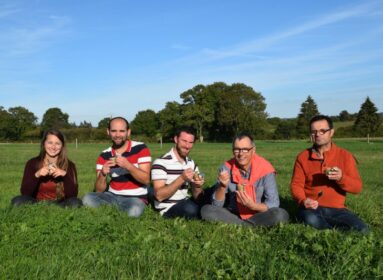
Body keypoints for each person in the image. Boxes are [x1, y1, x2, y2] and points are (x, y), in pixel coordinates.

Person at [290, 115, 369, 233]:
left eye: (322, 131)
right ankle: (337, 231)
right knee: (310, 218)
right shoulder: (303, 157)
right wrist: (303, 200)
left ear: (331, 132)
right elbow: (296, 185)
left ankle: (328, 229)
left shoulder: (345, 156)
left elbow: (357, 188)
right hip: (311, 208)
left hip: (338, 209)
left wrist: (341, 178)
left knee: (363, 229)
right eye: (314, 131)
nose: (318, 134)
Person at [201, 132, 289, 227]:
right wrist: (222, 187)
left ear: (253, 150)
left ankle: (240, 225)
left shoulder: (266, 169)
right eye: (237, 150)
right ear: (232, 150)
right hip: (233, 213)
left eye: (245, 149)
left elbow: (273, 203)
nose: (241, 154)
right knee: (206, 210)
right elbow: (216, 205)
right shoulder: (226, 168)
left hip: (259, 214)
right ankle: (248, 225)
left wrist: (253, 206)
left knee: (280, 214)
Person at [82, 117, 151, 217]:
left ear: (128, 132)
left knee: (135, 209)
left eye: (122, 131)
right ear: (108, 132)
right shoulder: (104, 155)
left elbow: (146, 180)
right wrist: (102, 174)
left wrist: (128, 166)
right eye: (114, 131)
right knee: (87, 198)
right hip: (111, 196)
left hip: (136, 197)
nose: (118, 135)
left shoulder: (140, 148)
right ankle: (117, 209)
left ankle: (112, 211)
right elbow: (99, 190)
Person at [11, 129, 82, 207]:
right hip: (37, 203)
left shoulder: (69, 165)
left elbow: (72, 195)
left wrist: (65, 175)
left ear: (62, 146)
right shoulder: (32, 163)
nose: (53, 147)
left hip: (60, 204)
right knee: (18, 201)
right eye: (50, 142)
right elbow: (25, 193)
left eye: (57, 143)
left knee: (76, 202)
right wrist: (37, 175)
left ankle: (56, 211)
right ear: (44, 144)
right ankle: (38, 211)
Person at [151, 127, 205, 219]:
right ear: (176, 139)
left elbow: (198, 198)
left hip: (185, 201)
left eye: (190, 142)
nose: (187, 146)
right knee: (191, 209)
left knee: (210, 196)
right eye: (184, 141)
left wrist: (197, 186)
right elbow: (159, 196)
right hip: (168, 208)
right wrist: (182, 178)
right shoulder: (161, 162)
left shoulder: (191, 163)